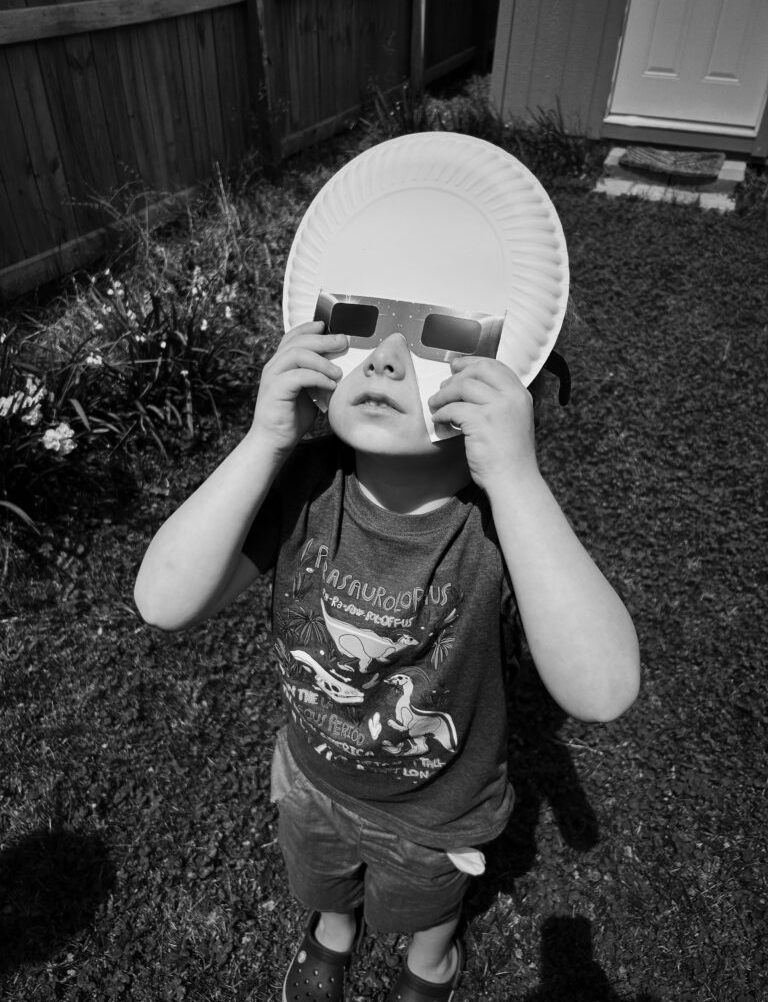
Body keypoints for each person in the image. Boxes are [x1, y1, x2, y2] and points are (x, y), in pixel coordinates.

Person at [134, 313, 641, 1002]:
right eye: (362, 323)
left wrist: (518, 481)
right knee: (320, 875)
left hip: (439, 809)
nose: (388, 359)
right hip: (317, 777)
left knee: (428, 899)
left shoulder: (502, 521)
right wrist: (265, 440)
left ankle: (430, 960)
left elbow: (604, 689)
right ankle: (334, 930)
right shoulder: (301, 486)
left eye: (445, 334)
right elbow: (163, 602)